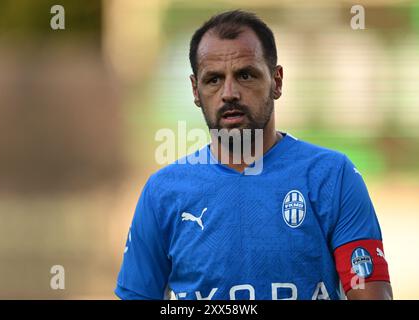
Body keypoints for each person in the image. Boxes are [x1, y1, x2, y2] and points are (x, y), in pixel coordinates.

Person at [115, 10, 392, 300]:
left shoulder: (333, 177)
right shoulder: (162, 192)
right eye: (213, 80)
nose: (230, 92)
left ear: (277, 81)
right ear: (195, 90)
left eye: (245, 75)